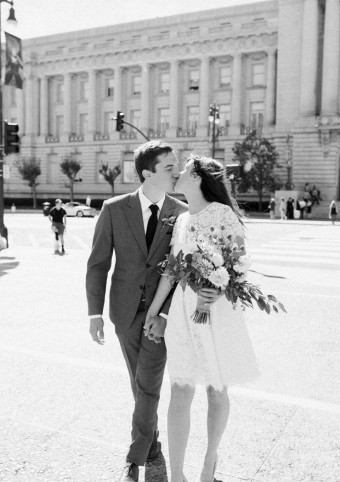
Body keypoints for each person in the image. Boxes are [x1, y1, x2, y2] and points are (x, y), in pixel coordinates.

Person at [85, 141, 218, 482]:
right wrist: (94, 314)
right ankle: (152, 442)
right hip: (123, 311)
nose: (177, 172)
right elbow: (98, 264)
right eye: (169, 168)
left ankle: (135, 457)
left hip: (161, 316)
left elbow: (185, 272)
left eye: (177, 166)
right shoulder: (114, 209)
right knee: (138, 381)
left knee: (149, 383)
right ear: (147, 173)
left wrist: (165, 314)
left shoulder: (182, 212)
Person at [144, 155, 259, 482]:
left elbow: (239, 263)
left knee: (215, 388)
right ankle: (178, 475)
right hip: (182, 310)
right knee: (180, 388)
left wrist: (220, 289)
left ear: (198, 177)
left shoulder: (222, 215)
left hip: (214, 311)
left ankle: (209, 463)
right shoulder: (181, 220)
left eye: (185, 170)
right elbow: (173, 270)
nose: (178, 173)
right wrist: (154, 313)